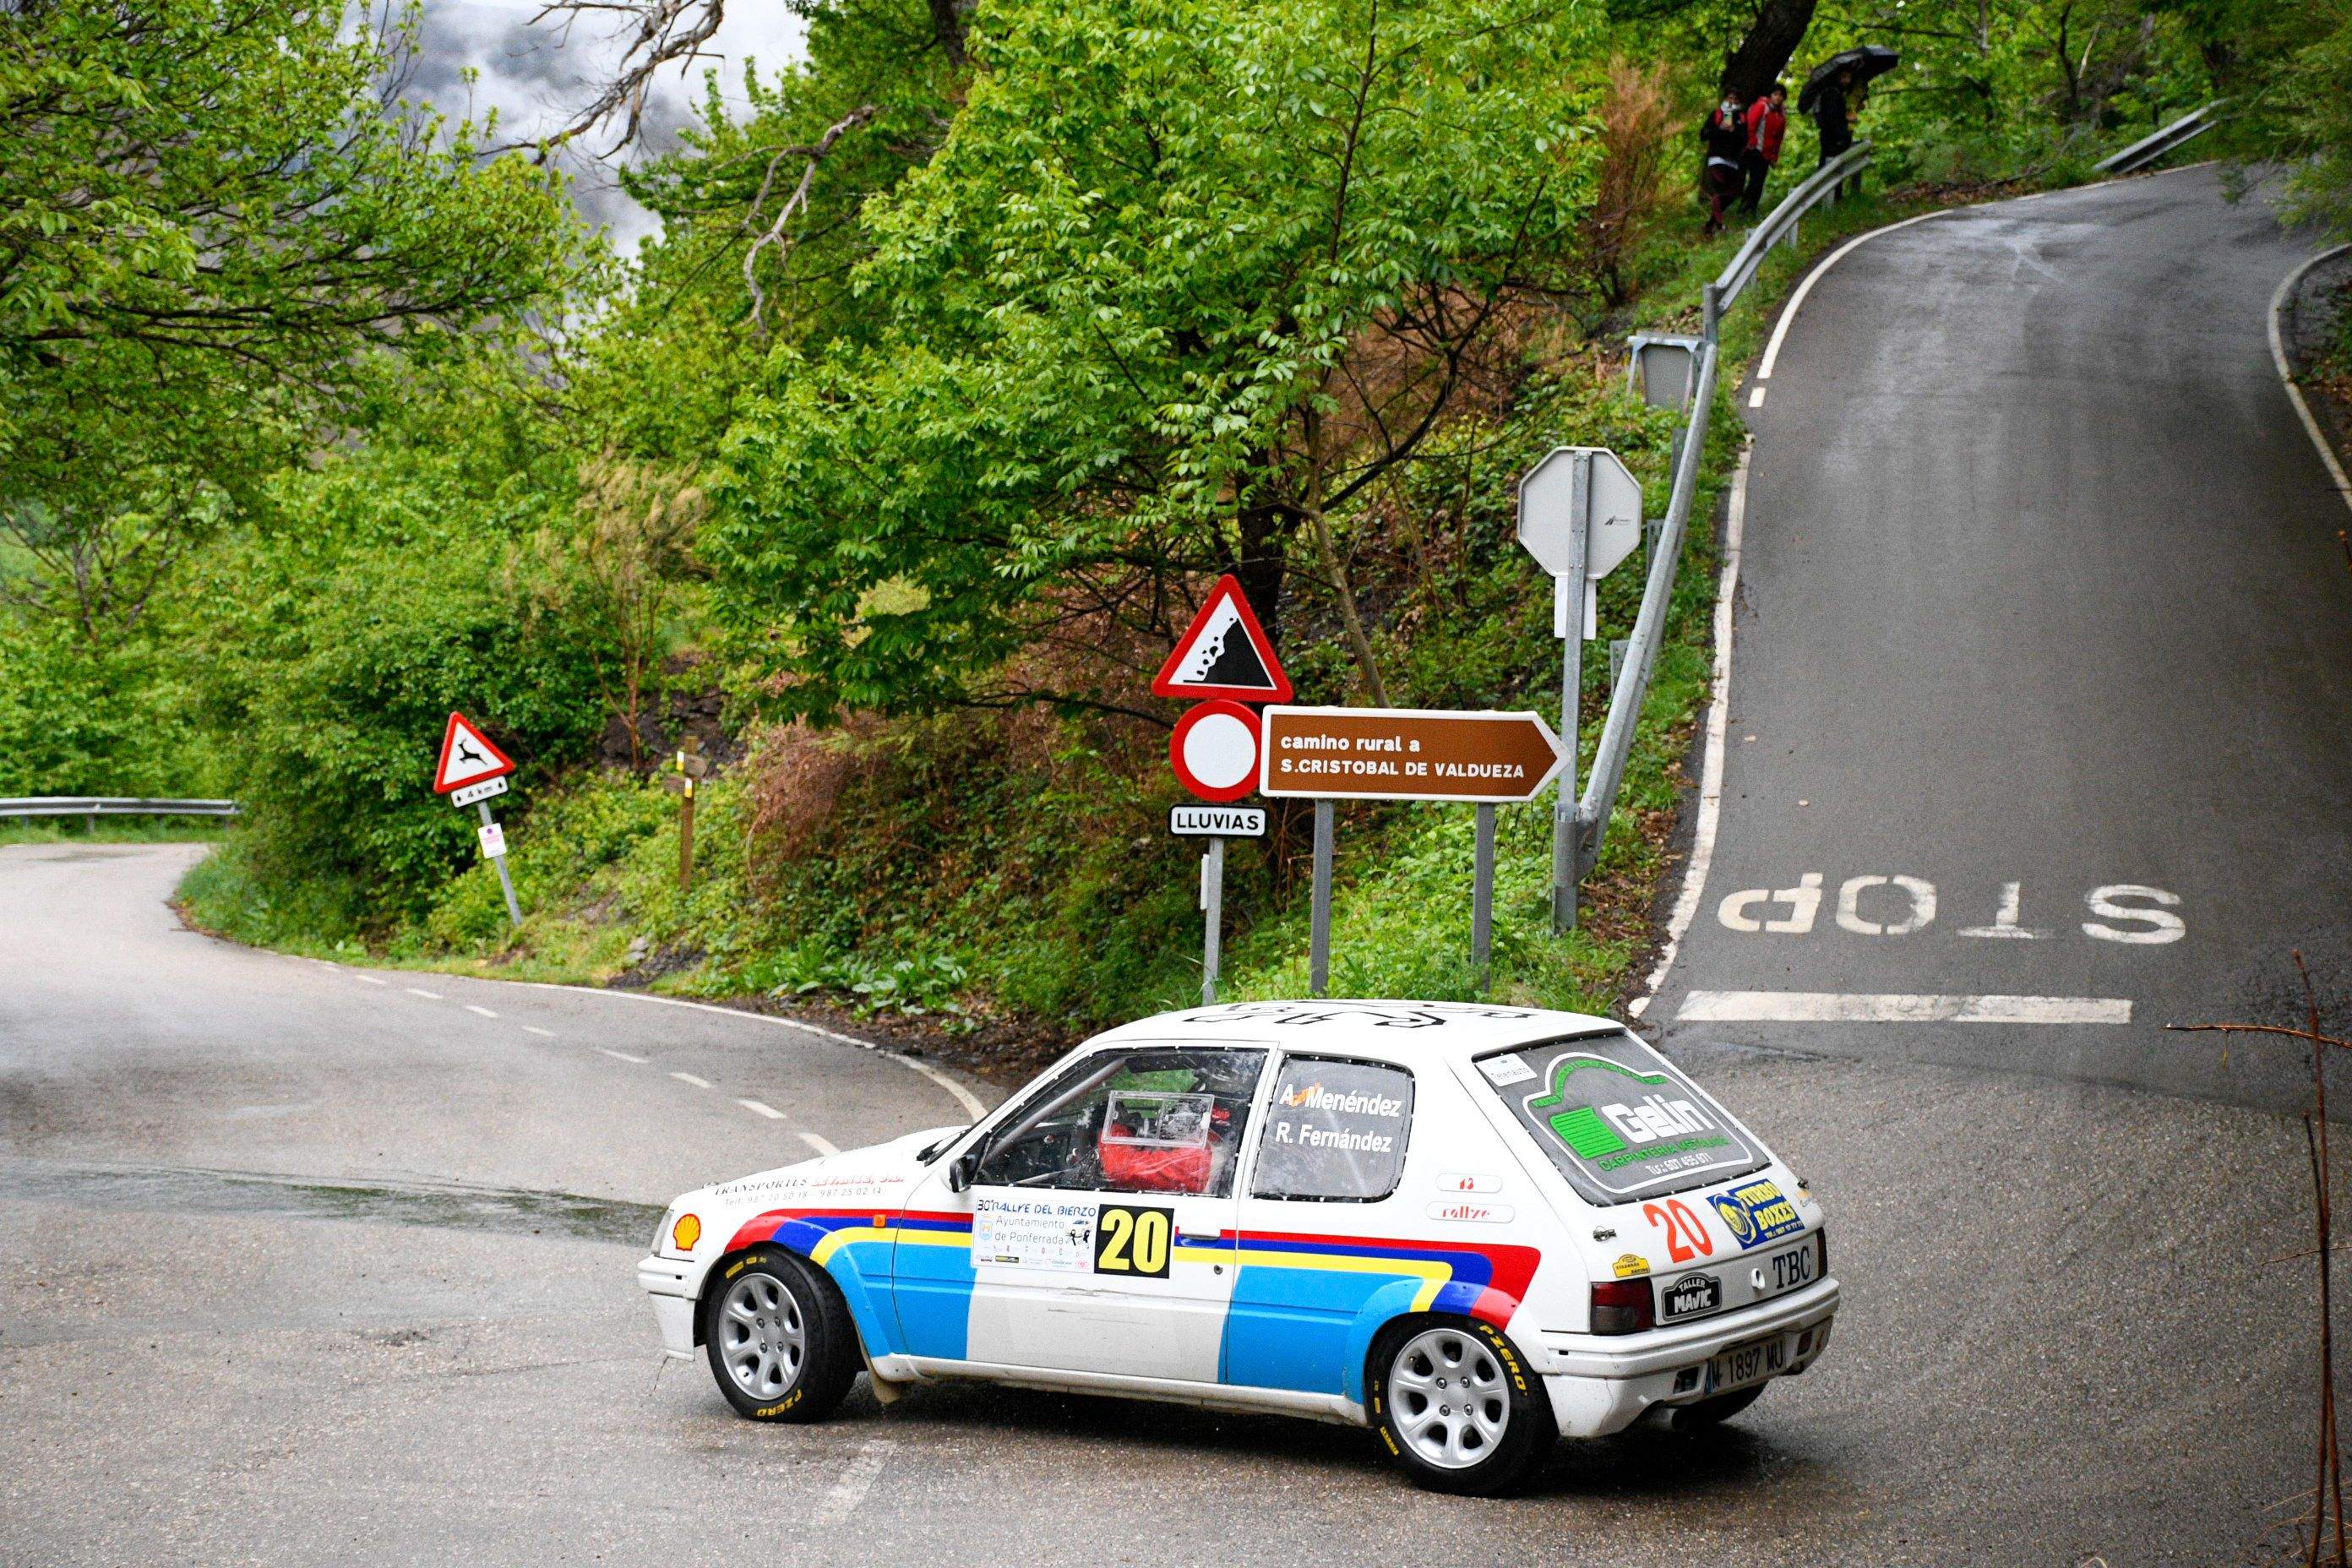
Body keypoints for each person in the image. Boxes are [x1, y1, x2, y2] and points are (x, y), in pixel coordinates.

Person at [1699, 90, 1747, 237]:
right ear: (1725, 98)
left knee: (1731, 194)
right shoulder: (1716, 114)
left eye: (1735, 99)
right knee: (1719, 191)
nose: (1732, 101)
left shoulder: (1741, 117)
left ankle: (1709, 225)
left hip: (1733, 162)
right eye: (1729, 97)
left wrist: (1734, 130)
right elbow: (1703, 134)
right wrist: (1719, 129)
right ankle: (1720, 226)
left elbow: (1745, 138)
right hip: (1717, 158)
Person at [1740, 83, 1788, 216]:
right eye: (1775, 94)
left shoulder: (1780, 114)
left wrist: (1774, 156)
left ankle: (1752, 208)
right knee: (1755, 180)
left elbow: (1779, 138)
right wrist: (1752, 141)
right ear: (1770, 95)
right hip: (1755, 149)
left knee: (1760, 181)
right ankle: (1744, 207)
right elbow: (1751, 124)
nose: (1778, 98)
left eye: (1781, 95)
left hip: (1766, 153)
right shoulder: (1762, 106)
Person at [1810, 65, 1856, 197]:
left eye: (1849, 77)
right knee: (1829, 168)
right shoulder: (1832, 93)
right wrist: (1841, 136)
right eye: (1844, 77)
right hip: (1832, 138)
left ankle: (1831, 197)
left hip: (1832, 136)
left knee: (1831, 168)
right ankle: (1829, 197)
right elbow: (1832, 118)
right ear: (1837, 77)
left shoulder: (1837, 93)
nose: (1847, 81)